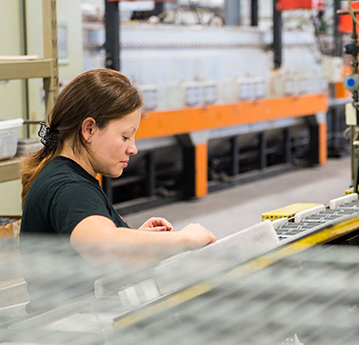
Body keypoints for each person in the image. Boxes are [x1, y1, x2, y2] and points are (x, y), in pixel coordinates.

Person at [19, 69, 216, 310]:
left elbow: (93, 245)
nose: (133, 149)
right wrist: (186, 239)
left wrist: (137, 239)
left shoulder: (66, 174)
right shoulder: (70, 187)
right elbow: (103, 247)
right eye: (125, 136)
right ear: (89, 129)